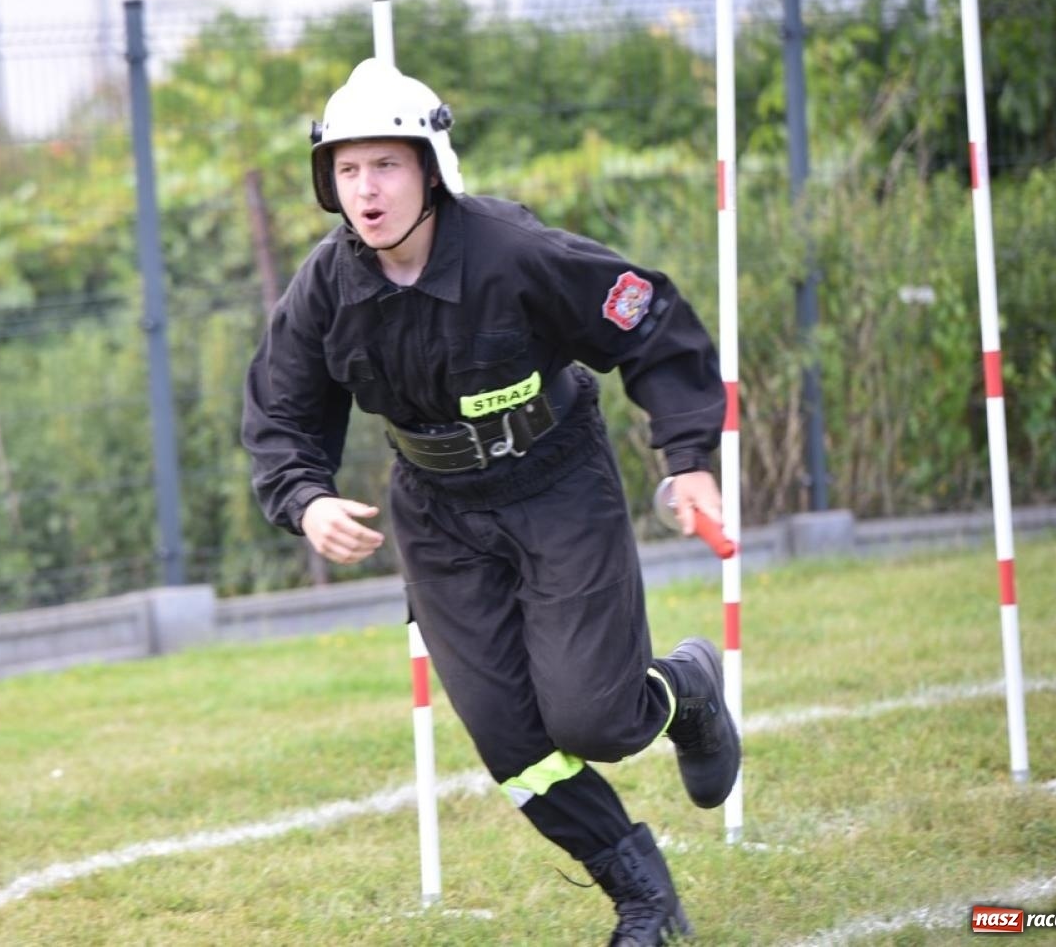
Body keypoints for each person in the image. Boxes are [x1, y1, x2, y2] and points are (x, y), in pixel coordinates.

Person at [241, 57, 739, 946]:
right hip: (435, 516)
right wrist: (306, 500)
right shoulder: (327, 287)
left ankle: (684, 690)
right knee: (514, 744)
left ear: (430, 168)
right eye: (347, 169)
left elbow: (648, 318)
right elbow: (279, 412)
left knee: (597, 720)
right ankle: (643, 900)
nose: (367, 189)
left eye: (386, 165)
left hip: (557, 487)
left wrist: (689, 453)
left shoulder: (517, 254)